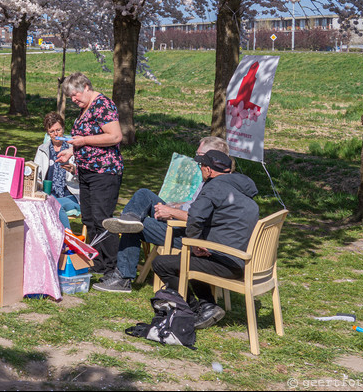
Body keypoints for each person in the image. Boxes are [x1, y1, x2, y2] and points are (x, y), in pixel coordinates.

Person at [94, 136, 231, 293]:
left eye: (200, 156)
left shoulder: (215, 188)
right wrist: (177, 206)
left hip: (190, 236)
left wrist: (172, 212)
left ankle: (123, 278)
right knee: (144, 195)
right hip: (183, 222)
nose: (196, 160)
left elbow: (198, 218)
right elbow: (195, 208)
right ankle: (129, 217)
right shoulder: (214, 181)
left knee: (137, 226)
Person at [151, 149, 259, 330]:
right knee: (193, 260)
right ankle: (208, 306)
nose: (200, 169)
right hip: (243, 260)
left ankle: (194, 308)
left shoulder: (214, 187)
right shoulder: (241, 189)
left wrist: (194, 244)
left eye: (201, 166)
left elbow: (195, 217)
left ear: (209, 170)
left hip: (227, 261)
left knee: (161, 263)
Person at [56, 71, 124, 276]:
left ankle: (113, 267)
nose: (74, 99)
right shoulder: (85, 108)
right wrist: (70, 151)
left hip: (104, 171)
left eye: (75, 94)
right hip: (86, 171)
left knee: (102, 218)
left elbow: (115, 136)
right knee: (89, 218)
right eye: (71, 97)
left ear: (86, 87)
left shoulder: (102, 105)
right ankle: (97, 262)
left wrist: (83, 141)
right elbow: (82, 137)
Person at [34, 111, 81, 231]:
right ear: (47, 133)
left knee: (54, 205)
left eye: (58, 130)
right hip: (49, 194)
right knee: (43, 204)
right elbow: (36, 174)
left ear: (63, 128)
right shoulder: (42, 149)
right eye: (52, 131)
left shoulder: (73, 148)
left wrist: (74, 170)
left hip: (70, 194)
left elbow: (86, 176)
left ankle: (67, 238)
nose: (56, 134)